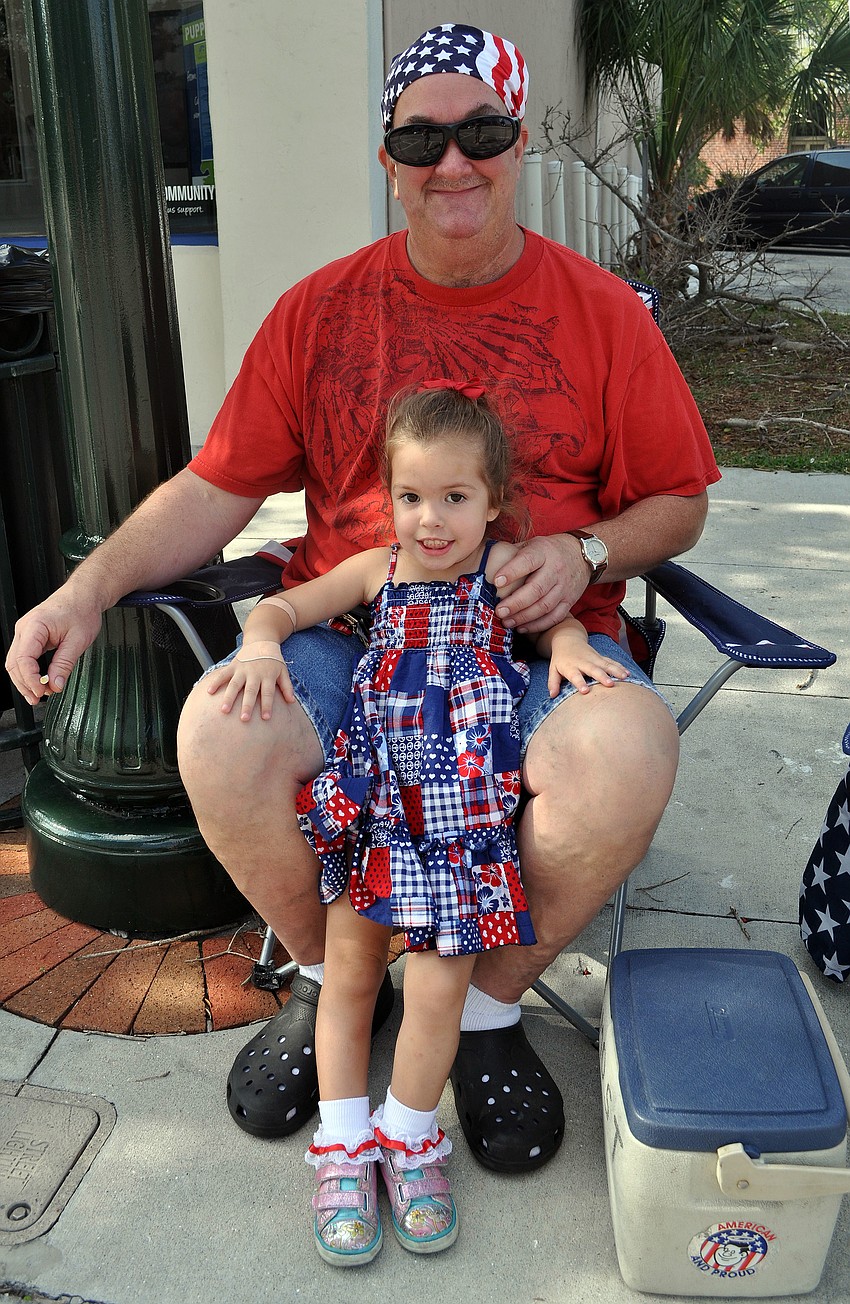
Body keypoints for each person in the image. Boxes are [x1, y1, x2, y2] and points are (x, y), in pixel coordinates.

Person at [5, 22, 721, 1176]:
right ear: (386, 153)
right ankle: (331, 972)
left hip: (536, 650)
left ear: (518, 140)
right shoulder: (318, 312)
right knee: (218, 737)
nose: (452, 163)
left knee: (623, 757)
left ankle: (480, 1009)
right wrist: (86, 589)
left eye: (479, 132)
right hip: (351, 640)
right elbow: (212, 486)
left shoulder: (601, 317)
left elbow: (678, 501)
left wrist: (587, 551)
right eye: (419, 137)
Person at [206, 380, 628, 1262]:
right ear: (387, 498)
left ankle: (409, 1139)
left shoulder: (501, 578)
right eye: (410, 497)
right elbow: (288, 606)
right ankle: (344, 1143)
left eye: (454, 498)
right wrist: (259, 641)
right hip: (378, 820)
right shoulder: (376, 574)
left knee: (437, 992)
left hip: (465, 832)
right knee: (350, 976)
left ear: (494, 503)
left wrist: (575, 643)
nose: (430, 520)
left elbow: (552, 628)